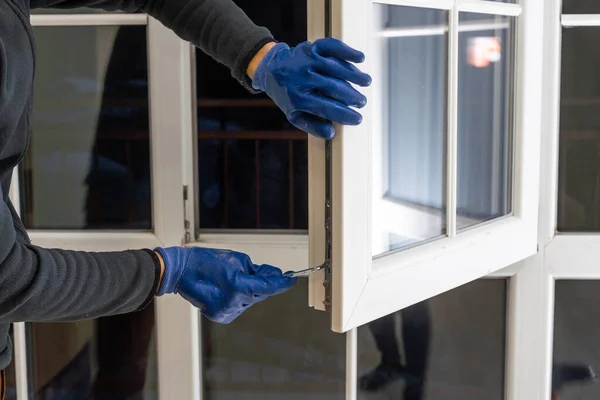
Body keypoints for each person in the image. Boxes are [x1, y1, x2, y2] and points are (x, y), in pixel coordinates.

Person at [0, 0, 372, 395]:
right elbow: (7, 278)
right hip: (139, 117)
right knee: (124, 357)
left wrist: (260, 55)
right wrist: (165, 271)